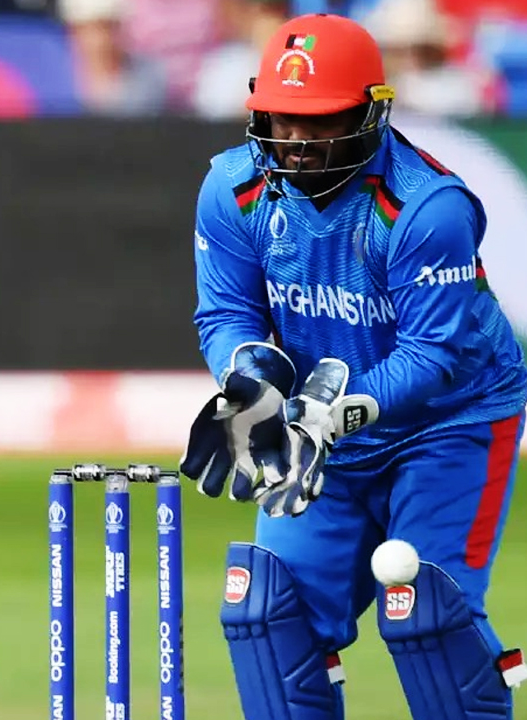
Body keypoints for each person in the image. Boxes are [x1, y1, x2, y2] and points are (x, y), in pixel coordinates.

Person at [178, 12, 527, 720]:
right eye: (282, 119)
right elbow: (226, 314)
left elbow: (432, 355)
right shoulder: (233, 188)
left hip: (450, 423)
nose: (297, 142)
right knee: (270, 613)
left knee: (428, 616)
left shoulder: (426, 208)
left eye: (321, 122)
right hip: (320, 428)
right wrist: (250, 385)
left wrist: (329, 415)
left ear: (373, 112)